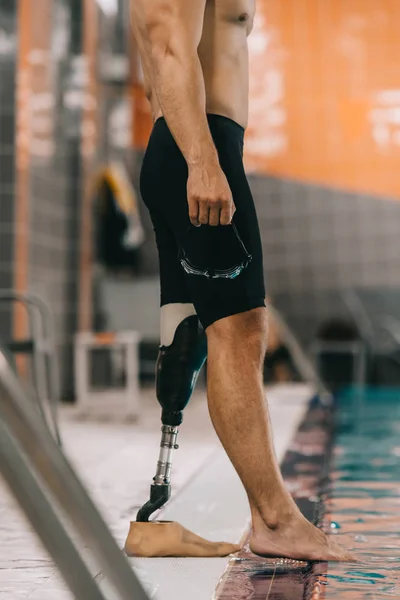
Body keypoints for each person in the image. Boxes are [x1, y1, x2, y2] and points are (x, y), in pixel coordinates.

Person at [129, 0, 352, 561]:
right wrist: (203, 163)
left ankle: (156, 515)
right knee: (242, 330)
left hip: (193, 145)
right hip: (197, 149)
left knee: (190, 337)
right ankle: (274, 519)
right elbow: (166, 43)